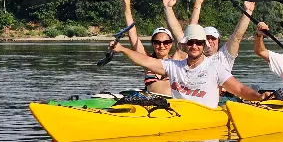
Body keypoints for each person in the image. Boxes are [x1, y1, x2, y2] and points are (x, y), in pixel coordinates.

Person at [107, 24, 267, 108]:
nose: (195, 46)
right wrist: (122, 49)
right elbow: (145, 61)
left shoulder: (215, 67)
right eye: (191, 42)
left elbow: (239, 90)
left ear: (204, 45)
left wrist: (258, 97)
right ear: (185, 45)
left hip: (207, 120)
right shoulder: (173, 66)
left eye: (198, 43)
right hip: (179, 116)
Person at [163, 0, 255, 71]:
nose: (210, 41)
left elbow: (236, 37)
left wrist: (248, 12)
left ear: (218, 41)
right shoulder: (193, 53)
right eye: (207, 38)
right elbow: (190, 29)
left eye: (213, 38)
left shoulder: (224, 56)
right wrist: (168, 8)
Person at [119, 0, 186, 96]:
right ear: (153, 44)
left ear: (171, 44)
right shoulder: (147, 61)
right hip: (152, 102)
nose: (162, 45)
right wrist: (126, 5)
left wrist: (168, 8)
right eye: (157, 42)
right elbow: (132, 35)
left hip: (173, 104)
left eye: (166, 42)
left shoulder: (176, 61)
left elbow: (182, 39)